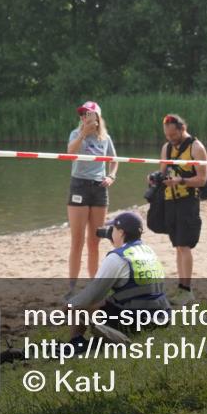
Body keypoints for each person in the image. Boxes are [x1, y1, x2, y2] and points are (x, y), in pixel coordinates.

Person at [63, 211, 171, 351]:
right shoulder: (148, 251)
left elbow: (92, 294)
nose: (110, 232)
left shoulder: (117, 257)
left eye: (113, 229)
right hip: (161, 318)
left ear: (120, 232)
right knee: (108, 300)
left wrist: (67, 307)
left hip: (136, 321)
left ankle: (76, 341)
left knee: (81, 305)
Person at [151, 113, 207, 306]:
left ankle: (187, 289)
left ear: (182, 129)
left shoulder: (196, 147)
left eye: (173, 135)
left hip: (187, 201)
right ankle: (181, 288)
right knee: (177, 246)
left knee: (184, 246)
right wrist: (155, 178)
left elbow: (202, 180)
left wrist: (181, 180)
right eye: (167, 136)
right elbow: (163, 171)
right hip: (169, 201)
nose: (170, 139)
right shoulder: (166, 148)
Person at [66, 100, 119, 295]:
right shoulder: (76, 133)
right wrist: (83, 133)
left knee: (94, 241)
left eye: (88, 114)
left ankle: (94, 287)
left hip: (99, 188)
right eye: (82, 115)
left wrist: (112, 176)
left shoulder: (105, 138)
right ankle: (71, 288)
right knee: (77, 240)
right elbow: (70, 152)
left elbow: (115, 160)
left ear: (97, 117)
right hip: (79, 184)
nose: (84, 118)